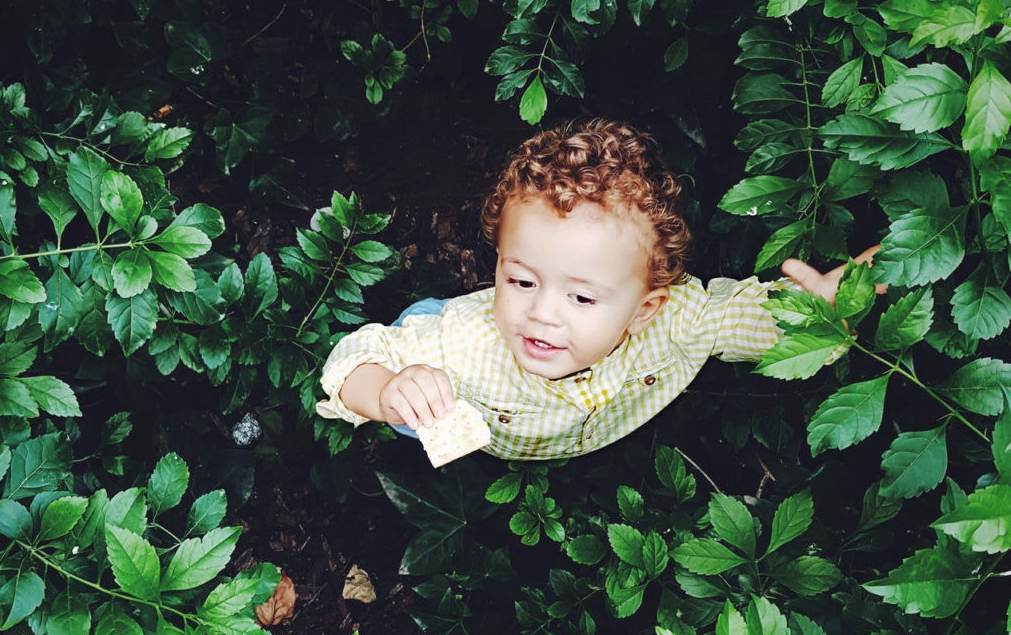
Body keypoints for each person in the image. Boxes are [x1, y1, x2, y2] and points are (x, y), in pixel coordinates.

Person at [315, 119, 873, 461]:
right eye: (521, 279)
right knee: (415, 407)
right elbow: (350, 361)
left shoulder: (675, 320)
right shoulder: (467, 343)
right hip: (450, 356)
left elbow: (743, 322)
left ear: (643, 309)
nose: (541, 314)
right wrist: (387, 389)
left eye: (581, 298)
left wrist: (820, 309)